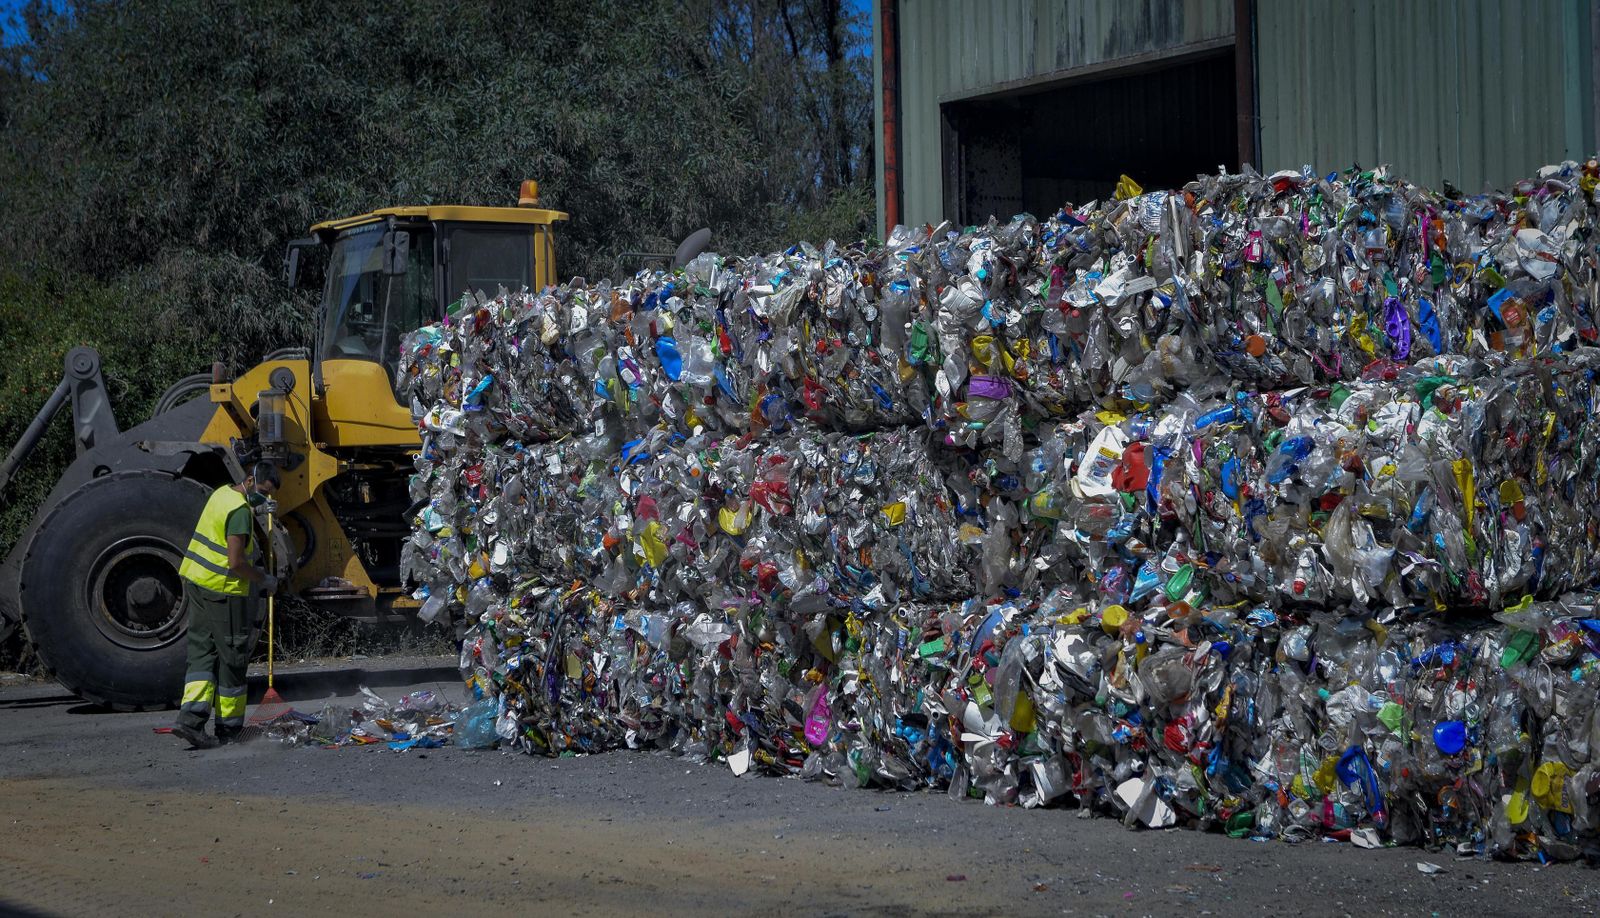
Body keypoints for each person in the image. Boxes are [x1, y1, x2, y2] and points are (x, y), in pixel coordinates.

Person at [169, 463, 280, 748]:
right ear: (252, 479)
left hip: (197, 582)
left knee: (202, 654)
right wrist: (264, 580)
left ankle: (190, 721)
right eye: (263, 492)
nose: (263, 498)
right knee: (232, 657)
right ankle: (229, 730)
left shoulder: (221, 495)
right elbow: (236, 562)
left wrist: (257, 510)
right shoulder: (240, 512)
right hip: (223, 590)